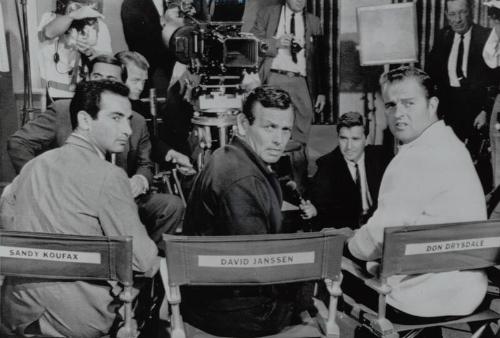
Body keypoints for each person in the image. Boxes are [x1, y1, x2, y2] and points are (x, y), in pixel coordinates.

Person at [0, 80, 159, 338]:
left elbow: (8, 225)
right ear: (84, 120)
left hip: (16, 313)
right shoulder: (110, 176)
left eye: (129, 119)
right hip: (77, 321)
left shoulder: (33, 166)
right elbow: (144, 261)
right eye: (116, 118)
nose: (128, 129)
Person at [347, 66, 487, 327]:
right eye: (390, 105)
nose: (398, 113)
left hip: (417, 300)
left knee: (338, 268)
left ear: (432, 104)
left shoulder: (412, 159)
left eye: (409, 103)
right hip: (470, 290)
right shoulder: (455, 146)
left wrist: (349, 244)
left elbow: (372, 242)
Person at [7, 54, 184, 244]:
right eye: (97, 77)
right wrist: (40, 180)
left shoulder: (136, 121)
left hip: (122, 200)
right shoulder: (62, 111)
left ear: (121, 85)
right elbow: (18, 143)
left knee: (171, 206)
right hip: (73, 203)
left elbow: (145, 163)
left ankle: (138, 264)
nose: (102, 84)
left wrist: (140, 180)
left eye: (111, 80)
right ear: (88, 78)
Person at [182, 86, 308, 336]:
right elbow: (256, 267)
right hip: (235, 311)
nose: (278, 140)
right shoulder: (242, 179)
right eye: (269, 127)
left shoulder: (229, 155)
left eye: (285, 129)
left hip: (211, 297)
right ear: (242, 123)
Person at [250, 0, 326, 191]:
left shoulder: (314, 22)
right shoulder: (268, 14)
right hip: (275, 77)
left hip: (301, 82)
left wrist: (322, 92)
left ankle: (300, 192)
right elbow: (251, 45)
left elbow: (320, 59)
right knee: (270, 133)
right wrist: (275, 43)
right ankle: (268, 189)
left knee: (300, 139)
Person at [301, 112, 392, 230]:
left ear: (366, 139)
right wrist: (313, 210)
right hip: (350, 231)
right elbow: (318, 204)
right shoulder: (327, 165)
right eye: (343, 139)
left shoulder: (382, 158)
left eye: (355, 139)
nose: (349, 147)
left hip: (380, 227)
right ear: (338, 137)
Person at [426, 0, 495, 143]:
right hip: (448, 108)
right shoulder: (442, 36)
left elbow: (495, 80)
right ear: (446, 15)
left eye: (462, 12)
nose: (457, 19)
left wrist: (485, 112)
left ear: (470, 11)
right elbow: (430, 74)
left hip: (477, 110)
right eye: (452, 14)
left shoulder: (486, 36)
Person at [114, 50, 194, 171]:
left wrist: (172, 154)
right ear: (119, 77)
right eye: (135, 80)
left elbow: (149, 141)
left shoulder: (139, 108)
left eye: (143, 81)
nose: (140, 87)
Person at [38, 0, 112, 100]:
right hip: (55, 93)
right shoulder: (50, 18)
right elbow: (48, 32)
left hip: (86, 95)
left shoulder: (99, 26)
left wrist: (90, 53)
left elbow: (107, 64)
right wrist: (73, 16)